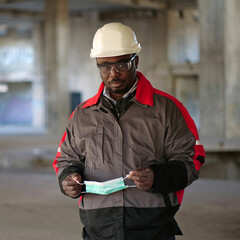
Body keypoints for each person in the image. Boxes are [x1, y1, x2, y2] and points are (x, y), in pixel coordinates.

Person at [53, 22, 205, 240]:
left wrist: (157, 177)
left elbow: (192, 160)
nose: (113, 73)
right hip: (98, 230)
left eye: (122, 64)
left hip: (153, 228)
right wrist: (68, 178)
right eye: (104, 65)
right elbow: (65, 159)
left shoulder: (167, 109)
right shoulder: (82, 114)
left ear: (136, 61)